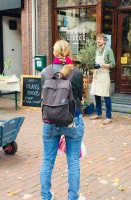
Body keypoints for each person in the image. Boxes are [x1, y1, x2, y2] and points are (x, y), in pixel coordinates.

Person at [40, 40, 85, 200]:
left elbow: (43, 96)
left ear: (54, 52)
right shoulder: (77, 73)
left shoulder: (45, 72)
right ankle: (73, 197)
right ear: (69, 52)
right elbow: (79, 97)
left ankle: (46, 196)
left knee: (47, 161)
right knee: (73, 161)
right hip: (72, 120)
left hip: (49, 121)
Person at [90, 33, 115, 125]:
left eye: (100, 39)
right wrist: (95, 65)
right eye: (97, 39)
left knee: (106, 95)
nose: (98, 40)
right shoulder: (97, 50)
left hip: (104, 75)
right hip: (97, 74)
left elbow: (113, 64)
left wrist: (101, 65)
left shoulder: (108, 50)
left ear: (104, 41)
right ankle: (98, 113)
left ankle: (108, 116)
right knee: (96, 94)